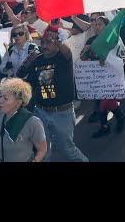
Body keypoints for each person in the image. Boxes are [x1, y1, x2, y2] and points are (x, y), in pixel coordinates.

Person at [16, 26, 88, 162]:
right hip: (41, 112)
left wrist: (58, 39)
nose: (44, 46)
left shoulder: (63, 58)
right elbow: (29, 82)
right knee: (43, 152)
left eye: (49, 42)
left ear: (57, 43)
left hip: (62, 114)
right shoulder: (38, 60)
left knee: (68, 151)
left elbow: (66, 51)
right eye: (42, 42)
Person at [80, 16, 125, 138]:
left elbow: (121, 56)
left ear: (107, 26)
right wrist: (85, 50)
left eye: (100, 24)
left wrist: (106, 58)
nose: (96, 27)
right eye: (95, 24)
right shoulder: (91, 40)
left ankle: (105, 127)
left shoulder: (113, 40)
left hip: (110, 79)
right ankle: (120, 117)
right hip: (96, 79)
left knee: (102, 105)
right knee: (107, 102)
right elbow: (82, 58)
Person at [0, 78, 47, 162]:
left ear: (18, 103)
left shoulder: (32, 122)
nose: (0, 101)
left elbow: (42, 150)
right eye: (1, 96)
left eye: (5, 98)